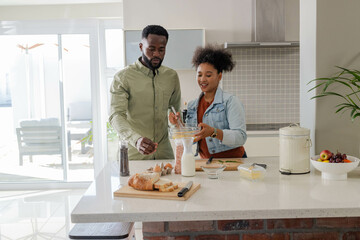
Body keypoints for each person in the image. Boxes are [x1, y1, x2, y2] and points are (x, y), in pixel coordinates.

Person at [109, 25, 181, 160]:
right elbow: (116, 115)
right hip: (134, 155)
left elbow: (174, 111)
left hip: (164, 155)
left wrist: (175, 122)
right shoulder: (123, 77)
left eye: (161, 50)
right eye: (151, 49)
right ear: (141, 46)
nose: (156, 54)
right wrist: (136, 140)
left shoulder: (171, 76)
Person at [169, 45, 247, 158]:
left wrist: (213, 132)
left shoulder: (230, 101)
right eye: (199, 75)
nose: (203, 79)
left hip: (233, 162)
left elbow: (241, 137)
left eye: (208, 75)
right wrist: (178, 125)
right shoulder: (192, 105)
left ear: (219, 76)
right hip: (206, 163)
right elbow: (192, 139)